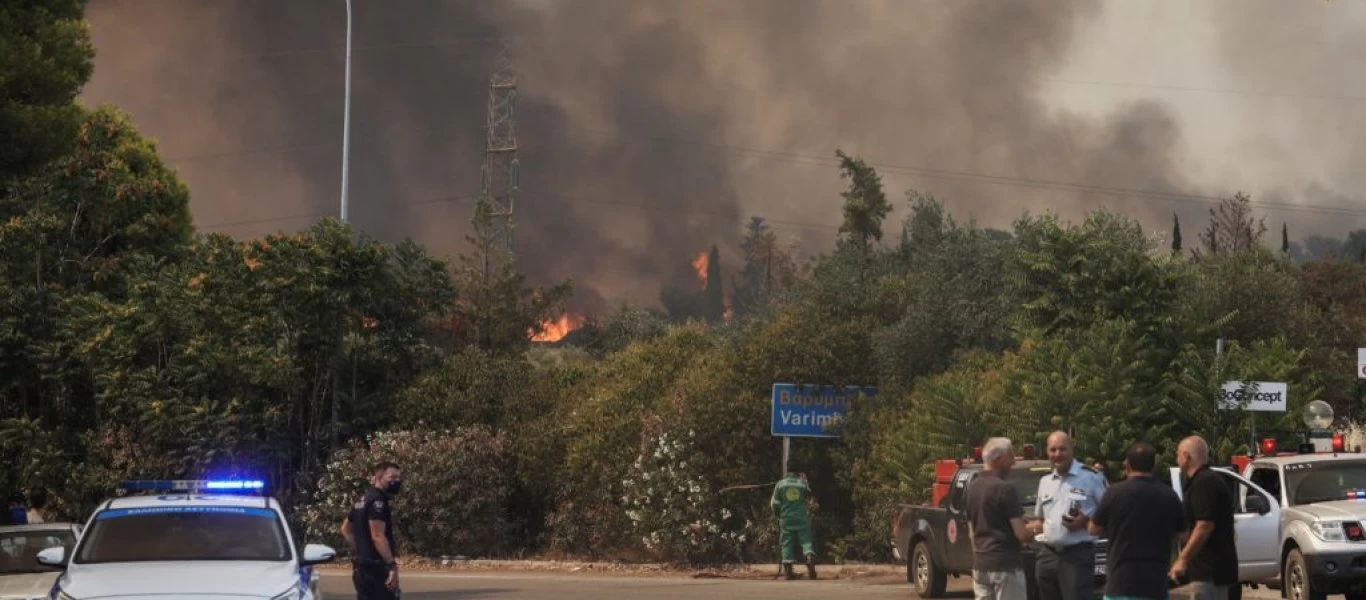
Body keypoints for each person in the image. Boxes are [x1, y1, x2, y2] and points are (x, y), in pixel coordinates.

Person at [1089, 442, 1187, 600]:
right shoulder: (1169, 495)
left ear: (1127, 464)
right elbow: (1182, 535)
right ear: (1153, 465)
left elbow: (1093, 528)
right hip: (1155, 584)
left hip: (1119, 583)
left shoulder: (1114, 493)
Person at [1025, 431, 1108, 600]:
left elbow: (1111, 514)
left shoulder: (1091, 477)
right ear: (1047, 452)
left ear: (1072, 449)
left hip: (1077, 556)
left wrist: (1085, 521)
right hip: (1047, 555)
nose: (1057, 454)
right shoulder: (1045, 482)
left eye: (1062, 449)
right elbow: (1041, 520)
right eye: (1053, 450)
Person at [965, 437, 1034, 600]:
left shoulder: (972, 487)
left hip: (980, 565)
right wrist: (1037, 527)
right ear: (998, 459)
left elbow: (971, 533)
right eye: (1010, 456)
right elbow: (1021, 534)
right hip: (1005, 566)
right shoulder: (1004, 489)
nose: (1013, 462)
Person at [1169, 436, 1238, 600]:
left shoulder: (1205, 482)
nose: (1176, 460)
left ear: (1186, 456)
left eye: (1178, 455)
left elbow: (1204, 525)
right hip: (1206, 571)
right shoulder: (1202, 481)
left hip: (1211, 572)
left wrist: (1182, 559)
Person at [341, 461, 404, 600]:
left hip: (362, 568)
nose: (396, 481)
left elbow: (345, 529)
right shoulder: (378, 501)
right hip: (377, 570)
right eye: (392, 477)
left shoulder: (363, 499)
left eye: (398, 478)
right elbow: (377, 536)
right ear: (379, 477)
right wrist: (391, 565)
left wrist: (362, 551)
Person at [770, 461, 816, 580]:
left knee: (787, 542)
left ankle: (788, 571)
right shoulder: (801, 484)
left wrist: (778, 515)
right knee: (806, 539)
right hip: (801, 517)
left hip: (786, 518)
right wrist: (805, 480)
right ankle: (809, 556)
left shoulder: (780, 484)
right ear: (798, 472)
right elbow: (808, 492)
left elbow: (774, 504)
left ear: (787, 470)